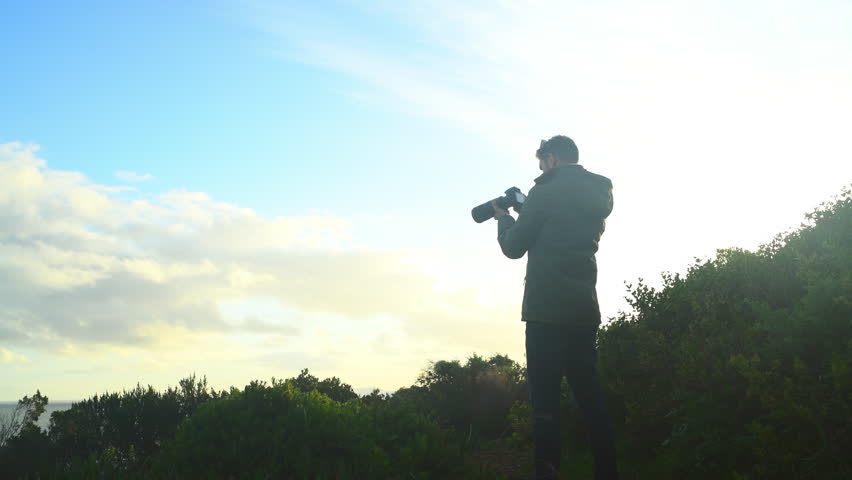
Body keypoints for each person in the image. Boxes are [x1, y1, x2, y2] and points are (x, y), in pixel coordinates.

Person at [492, 135, 618, 479]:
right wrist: (528, 208)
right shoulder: (597, 194)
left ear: (552, 159)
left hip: (546, 312)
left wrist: (504, 218)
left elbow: (514, 247)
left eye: (541, 163)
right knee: (590, 398)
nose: (540, 169)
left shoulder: (544, 192)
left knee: (545, 405)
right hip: (583, 310)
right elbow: (562, 228)